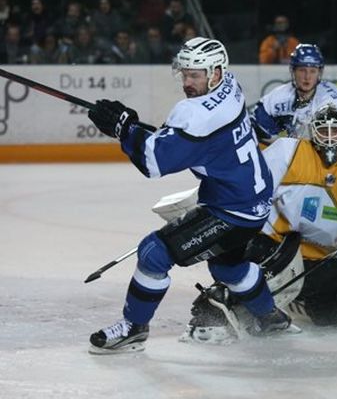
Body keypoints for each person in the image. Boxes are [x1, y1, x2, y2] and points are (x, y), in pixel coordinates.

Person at [86, 37, 291, 354]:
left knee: (154, 253)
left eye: (195, 74)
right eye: (184, 74)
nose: (187, 82)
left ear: (216, 72)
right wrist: (134, 128)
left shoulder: (194, 115)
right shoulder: (230, 87)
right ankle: (270, 317)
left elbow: (154, 162)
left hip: (232, 210)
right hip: (255, 200)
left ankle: (133, 329)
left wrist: (124, 130)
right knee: (228, 268)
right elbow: (193, 142)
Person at [181, 103, 337, 342]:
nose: (329, 138)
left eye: (335, 131)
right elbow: (248, 184)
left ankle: (295, 298)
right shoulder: (288, 152)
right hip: (273, 244)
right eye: (323, 131)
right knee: (259, 268)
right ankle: (218, 304)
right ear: (312, 131)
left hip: (320, 256)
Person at [252, 43, 337, 144]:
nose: (307, 77)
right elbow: (258, 129)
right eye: (302, 70)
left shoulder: (333, 102)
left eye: (312, 71)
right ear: (293, 71)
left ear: (319, 73)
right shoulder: (278, 98)